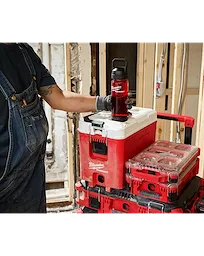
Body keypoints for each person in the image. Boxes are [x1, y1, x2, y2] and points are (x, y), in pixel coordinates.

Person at [0, 40, 118, 216]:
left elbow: (58, 97)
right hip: (5, 186)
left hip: (31, 177)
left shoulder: (23, 51)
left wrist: (106, 102)